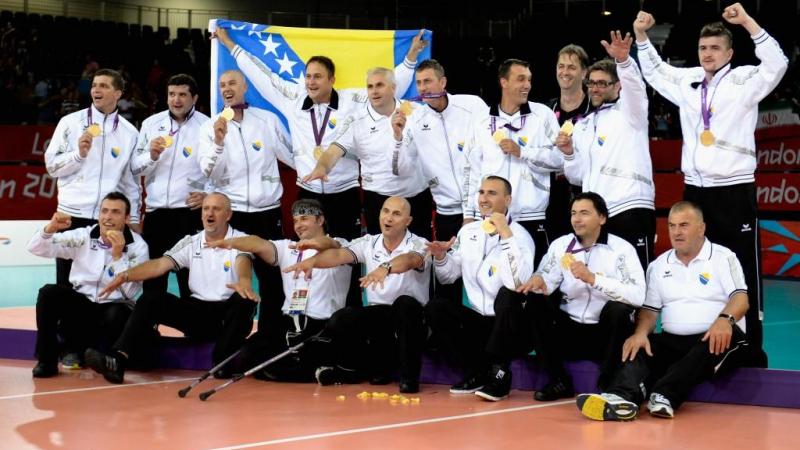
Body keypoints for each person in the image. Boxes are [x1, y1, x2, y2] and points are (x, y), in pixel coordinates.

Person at [633, 4, 787, 365]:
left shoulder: (745, 80)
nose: (708, 54)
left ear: (729, 53)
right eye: (704, 48)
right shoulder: (688, 83)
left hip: (734, 190)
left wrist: (747, 22)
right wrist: (641, 36)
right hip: (696, 192)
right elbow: (655, 73)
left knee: (743, 270)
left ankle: (751, 349)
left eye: (715, 48)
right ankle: (699, 344)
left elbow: (777, 64)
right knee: (697, 265)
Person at [214, 27, 426, 240]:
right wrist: (228, 43)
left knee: (348, 253)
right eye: (308, 76)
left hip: (345, 192)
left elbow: (389, 86)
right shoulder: (292, 98)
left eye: (317, 77)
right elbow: (259, 74)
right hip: (308, 190)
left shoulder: (351, 101)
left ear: (332, 80)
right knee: (307, 254)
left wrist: (412, 55)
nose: (311, 82)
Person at [576, 201, 749, 421]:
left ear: (701, 228)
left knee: (715, 340)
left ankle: (664, 394)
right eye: (672, 226)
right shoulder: (658, 265)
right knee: (640, 346)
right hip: (674, 341)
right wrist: (640, 333)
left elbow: (741, 299)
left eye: (684, 225)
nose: (677, 232)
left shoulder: (723, 257)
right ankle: (622, 398)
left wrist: (725, 319)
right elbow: (649, 311)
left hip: (719, 338)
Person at [84, 193, 258, 384]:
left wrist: (244, 280)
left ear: (228, 215)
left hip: (227, 315)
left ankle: (222, 361)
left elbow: (243, 262)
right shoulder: (190, 242)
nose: (210, 213)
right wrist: (125, 275)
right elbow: (159, 265)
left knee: (245, 299)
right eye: (206, 208)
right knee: (151, 299)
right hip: (198, 313)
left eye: (216, 209)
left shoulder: (241, 239)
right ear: (201, 215)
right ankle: (118, 359)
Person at [284, 197, 430, 393]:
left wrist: (385, 267)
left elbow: (411, 260)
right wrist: (312, 262)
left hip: (412, 317)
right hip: (381, 316)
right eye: (385, 211)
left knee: (405, 305)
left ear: (408, 221)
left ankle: (409, 378)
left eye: (396, 214)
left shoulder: (420, 244)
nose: (389, 218)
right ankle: (357, 369)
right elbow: (337, 255)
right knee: (342, 319)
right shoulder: (368, 242)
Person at [518, 192, 645, 401]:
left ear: (602, 218)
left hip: (604, 333)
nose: (577, 219)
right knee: (534, 301)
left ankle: (609, 385)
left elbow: (638, 296)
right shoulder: (561, 245)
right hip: (569, 329)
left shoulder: (621, 249)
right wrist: (540, 282)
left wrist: (594, 279)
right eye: (573, 213)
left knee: (619, 310)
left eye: (584, 213)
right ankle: (558, 380)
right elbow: (547, 277)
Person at [207, 199, 351, 380]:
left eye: (304, 219)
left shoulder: (341, 245)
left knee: (301, 353)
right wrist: (230, 242)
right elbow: (257, 243)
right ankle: (308, 371)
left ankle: (314, 368)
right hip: (290, 322)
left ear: (320, 220)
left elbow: (331, 244)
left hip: (321, 325)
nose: (298, 225)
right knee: (251, 352)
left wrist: (312, 244)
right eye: (296, 221)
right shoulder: (287, 248)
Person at [197, 69, 293, 332]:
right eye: (222, 85)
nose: (227, 88)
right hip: (234, 212)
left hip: (267, 212)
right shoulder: (210, 127)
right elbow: (209, 172)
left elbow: (292, 155)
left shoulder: (267, 120)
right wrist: (218, 142)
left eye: (232, 83)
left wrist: (322, 169)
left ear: (245, 86)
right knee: (232, 276)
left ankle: (271, 334)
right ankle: (229, 333)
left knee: (271, 278)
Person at [426, 176, 535, 401]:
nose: (484, 198)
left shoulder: (521, 237)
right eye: (481, 192)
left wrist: (506, 235)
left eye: (492, 193)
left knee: (508, 295)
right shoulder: (469, 232)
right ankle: (478, 371)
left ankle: (500, 374)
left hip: (511, 325)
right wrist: (441, 257)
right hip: (479, 321)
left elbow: (517, 283)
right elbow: (448, 277)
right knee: (437, 308)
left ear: (508, 200)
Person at [559, 32, 656, 270]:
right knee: (602, 277)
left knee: (636, 277)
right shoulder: (582, 124)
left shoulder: (630, 112)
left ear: (617, 85)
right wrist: (569, 153)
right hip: (597, 215)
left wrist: (624, 61)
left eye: (602, 83)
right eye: (591, 83)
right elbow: (577, 176)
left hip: (630, 206)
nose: (595, 88)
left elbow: (636, 89)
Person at [27, 192, 149, 377]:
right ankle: (46, 361)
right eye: (104, 211)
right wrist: (50, 229)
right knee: (48, 293)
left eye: (115, 212)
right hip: (81, 307)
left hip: (114, 308)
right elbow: (35, 248)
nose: (108, 217)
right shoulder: (83, 236)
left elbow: (129, 292)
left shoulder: (138, 247)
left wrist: (118, 257)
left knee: (118, 312)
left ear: (126, 218)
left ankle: (108, 360)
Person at [304, 67, 433, 240]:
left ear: (393, 88)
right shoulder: (356, 120)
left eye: (379, 85)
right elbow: (333, 151)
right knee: (381, 256)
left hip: (416, 197)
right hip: (378, 199)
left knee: (421, 258)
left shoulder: (418, 112)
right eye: (370, 86)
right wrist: (322, 167)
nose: (374, 91)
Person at [44, 68, 141, 286]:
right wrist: (78, 155)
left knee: (104, 282)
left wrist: (133, 218)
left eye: (104, 86)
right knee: (66, 284)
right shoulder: (70, 123)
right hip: (71, 215)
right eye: (95, 85)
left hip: (108, 218)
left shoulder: (129, 133)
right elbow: (51, 166)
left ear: (118, 93)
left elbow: (131, 183)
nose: (96, 89)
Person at [468, 59, 562, 268]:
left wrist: (524, 152)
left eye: (529, 80)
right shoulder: (481, 120)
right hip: (491, 219)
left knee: (534, 286)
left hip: (532, 217)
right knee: (493, 280)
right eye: (520, 79)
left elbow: (561, 160)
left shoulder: (543, 115)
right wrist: (469, 215)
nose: (527, 85)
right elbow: (472, 171)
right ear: (504, 82)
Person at [392, 59, 489, 241]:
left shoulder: (472, 105)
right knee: (449, 268)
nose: (422, 88)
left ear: (442, 82)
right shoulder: (414, 119)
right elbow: (400, 170)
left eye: (427, 81)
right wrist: (398, 138)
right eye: (419, 83)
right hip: (446, 213)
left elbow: (492, 150)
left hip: (482, 207)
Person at [131, 74, 210, 297]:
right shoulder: (150, 124)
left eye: (182, 95)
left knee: (190, 279)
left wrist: (209, 195)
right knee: (154, 280)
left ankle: (193, 330)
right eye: (172, 94)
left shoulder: (207, 126)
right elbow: (135, 169)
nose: (176, 100)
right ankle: (150, 328)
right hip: (156, 214)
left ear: (194, 98)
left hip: (190, 213)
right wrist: (151, 156)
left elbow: (219, 169)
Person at [547, 44, 593, 240]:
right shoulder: (547, 110)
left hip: (584, 194)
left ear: (584, 73)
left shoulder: (595, 109)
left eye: (572, 67)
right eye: (561, 66)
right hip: (551, 198)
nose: (565, 72)